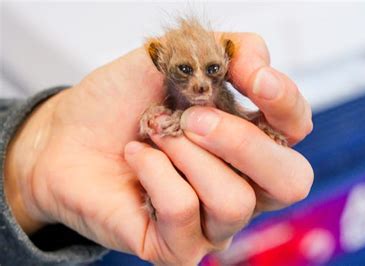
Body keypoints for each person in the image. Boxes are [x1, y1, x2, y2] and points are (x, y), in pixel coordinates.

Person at [0, 33, 314, 265]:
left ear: (228, 58)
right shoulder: (160, 105)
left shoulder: (222, 99)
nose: (202, 84)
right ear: (158, 60)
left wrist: (265, 129)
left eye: (213, 69)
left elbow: (241, 118)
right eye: (185, 71)